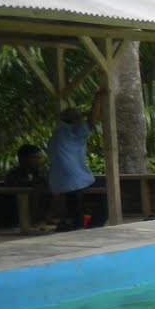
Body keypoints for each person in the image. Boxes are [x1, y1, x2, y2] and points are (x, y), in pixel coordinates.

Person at [47, 94, 102, 231]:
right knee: (105, 196)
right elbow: (92, 120)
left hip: (59, 181)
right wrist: (98, 99)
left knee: (73, 202)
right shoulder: (73, 132)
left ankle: (74, 222)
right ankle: (92, 225)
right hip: (75, 179)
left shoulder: (57, 133)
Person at [3, 144, 51, 229]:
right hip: (16, 207)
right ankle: (31, 221)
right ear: (23, 158)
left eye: (38, 157)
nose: (38, 160)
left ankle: (47, 218)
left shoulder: (37, 173)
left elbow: (44, 183)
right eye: (34, 157)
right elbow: (14, 186)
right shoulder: (14, 173)